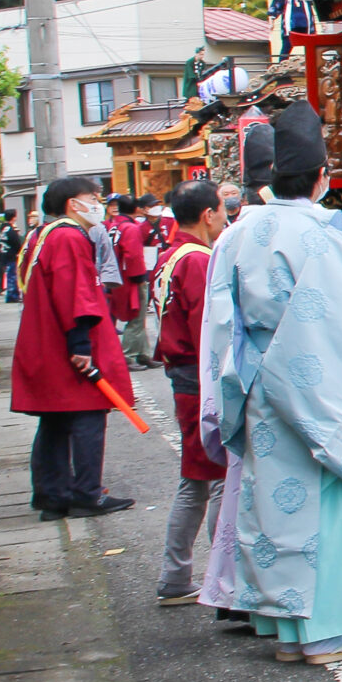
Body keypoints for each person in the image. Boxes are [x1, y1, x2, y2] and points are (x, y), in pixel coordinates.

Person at [198, 102, 342, 665]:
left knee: (274, 509)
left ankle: (289, 632)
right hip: (316, 389)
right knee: (329, 511)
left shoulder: (241, 231)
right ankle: (325, 632)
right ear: (322, 178)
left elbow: (221, 321)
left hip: (257, 389)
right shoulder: (320, 236)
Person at [12, 177, 135, 521]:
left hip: (45, 338)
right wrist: (80, 343)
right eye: (90, 198)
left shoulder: (42, 235)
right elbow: (74, 289)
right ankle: (86, 493)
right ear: (72, 204)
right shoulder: (68, 236)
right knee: (87, 416)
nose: (97, 203)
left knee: (54, 420)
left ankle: (52, 496)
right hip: (68, 341)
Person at [149, 181, 226, 604]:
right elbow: (208, 329)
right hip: (200, 378)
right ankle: (218, 577)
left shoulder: (169, 256)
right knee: (215, 476)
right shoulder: (197, 260)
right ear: (207, 215)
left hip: (182, 375)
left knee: (198, 478)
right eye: (220, 208)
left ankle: (178, 575)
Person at [106, 194, 154, 370]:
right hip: (131, 277)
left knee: (138, 317)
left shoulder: (114, 226)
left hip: (118, 276)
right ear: (136, 209)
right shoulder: (130, 228)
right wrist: (139, 276)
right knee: (136, 316)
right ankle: (128, 354)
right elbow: (133, 255)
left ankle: (143, 353)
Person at [0, 209, 21, 302]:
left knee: (8, 275)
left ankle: (11, 294)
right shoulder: (11, 229)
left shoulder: (2, 229)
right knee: (12, 276)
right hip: (10, 255)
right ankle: (12, 295)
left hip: (3, 254)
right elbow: (16, 243)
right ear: (13, 217)